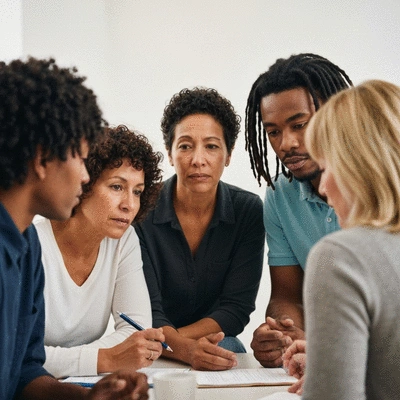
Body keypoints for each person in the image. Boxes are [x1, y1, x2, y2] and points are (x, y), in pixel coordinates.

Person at [0, 57, 148, 399]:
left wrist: (90, 396)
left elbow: (24, 372)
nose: (85, 176)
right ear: (41, 159)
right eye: (80, 157)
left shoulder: (26, 248)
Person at [135, 87, 265, 371]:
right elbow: (146, 309)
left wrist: (174, 343)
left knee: (228, 346)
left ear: (228, 155)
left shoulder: (248, 210)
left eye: (211, 146)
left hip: (197, 342)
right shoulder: (141, 209)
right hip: (150, 343)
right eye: (185, 146)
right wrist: (179, 348)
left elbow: (235, 308)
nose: (198, 159)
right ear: (170, 154)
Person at [244, 53, 353, 367]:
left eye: (299, 125)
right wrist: (283, 334)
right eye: (273, 131)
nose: (286, 144)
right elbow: (286, 296)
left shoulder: (383, 184)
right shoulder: (280, 196)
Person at [295, 79, 400, 399]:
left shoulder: (339, 257)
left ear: (358, 165)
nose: (323, 187)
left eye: (325, 167)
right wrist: (335, 358)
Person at [34, 125, 165, 378]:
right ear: (84, 182)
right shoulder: (32, 243)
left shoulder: (123, 240)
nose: (129, 205)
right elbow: (15, 354)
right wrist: (106, 358)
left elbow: (135, 332)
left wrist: (68, 361)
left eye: (137, 192)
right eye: (117, 187)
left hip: (82, 383)